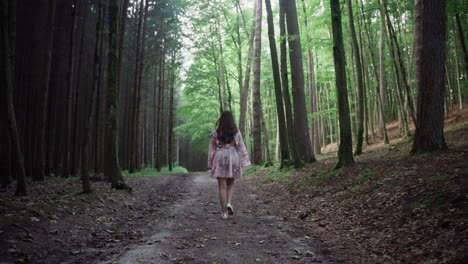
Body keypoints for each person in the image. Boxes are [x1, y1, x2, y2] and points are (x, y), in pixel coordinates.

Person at [208, 111, 251, 220]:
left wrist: (210, 163)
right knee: (230, 184)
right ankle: (229, 203)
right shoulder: (236, 131)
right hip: (234, 157)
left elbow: (212, 149)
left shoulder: (216, 132)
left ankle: (224, 213)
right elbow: (241, 146)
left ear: (221, 120)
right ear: (231, 120)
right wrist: (245, 161)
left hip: (221, 156)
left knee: (222, 187)